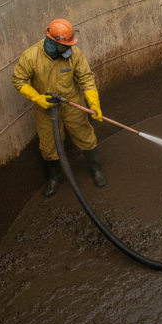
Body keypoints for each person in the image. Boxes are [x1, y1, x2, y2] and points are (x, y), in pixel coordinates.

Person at [12, 18, 106, 197]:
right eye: (64, 47)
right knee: (49, 146)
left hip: (72, 104)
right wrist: (38, 98)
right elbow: (18, 80)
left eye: (69, 46)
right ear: (52, 42)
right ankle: (56, 178)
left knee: (85, 137)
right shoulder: (31, 56)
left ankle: (96, 169)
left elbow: (86, 78)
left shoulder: (74, 54)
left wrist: (94, 103)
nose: (68, 50)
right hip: (46, 108)